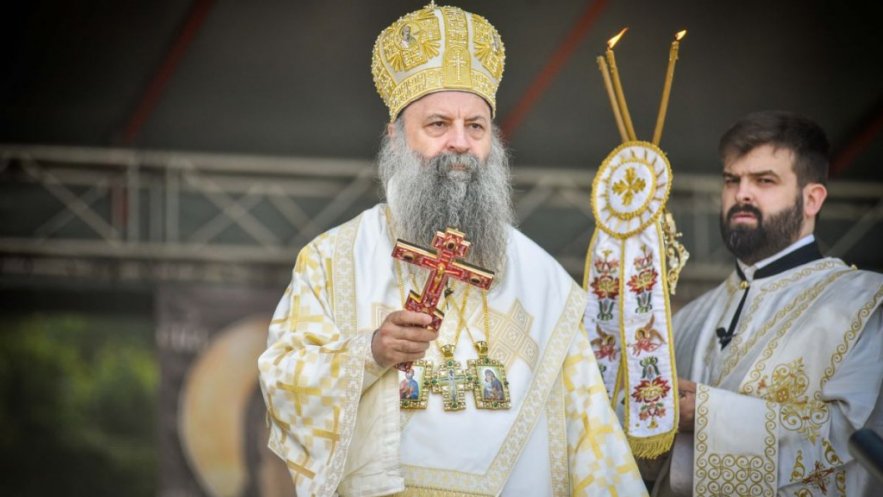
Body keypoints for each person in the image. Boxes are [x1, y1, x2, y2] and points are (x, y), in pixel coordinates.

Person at [258, 3, 647, 496]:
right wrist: (370, 353)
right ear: (395, 137)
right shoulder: (333, 260)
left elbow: (593, 442)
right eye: (438, 125)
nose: (460, 143)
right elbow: (282, 381)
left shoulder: (544, 282)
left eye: (476, 127)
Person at [645, 111, 883, 496]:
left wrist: (706, 415)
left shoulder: (862, 303)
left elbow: (852, 436)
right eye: (732, 180)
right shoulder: (687, 319)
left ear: (812, 199)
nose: (742, 193)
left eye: (764, 181)